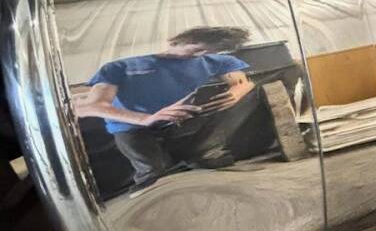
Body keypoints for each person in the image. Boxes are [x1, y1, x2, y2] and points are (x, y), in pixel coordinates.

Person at [80, 26, 267, 189]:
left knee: (210, 157)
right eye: (197, 49)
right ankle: (151, 189)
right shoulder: (119, 67)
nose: (200, 55)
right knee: (154, 172)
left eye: (209, 52)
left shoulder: (215, 61)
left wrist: (237, 91)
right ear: (176, 42)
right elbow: (92, 106)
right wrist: (145, 118)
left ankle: (207, 164)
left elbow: (243, 82)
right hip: (132, 127)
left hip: (181, 122)